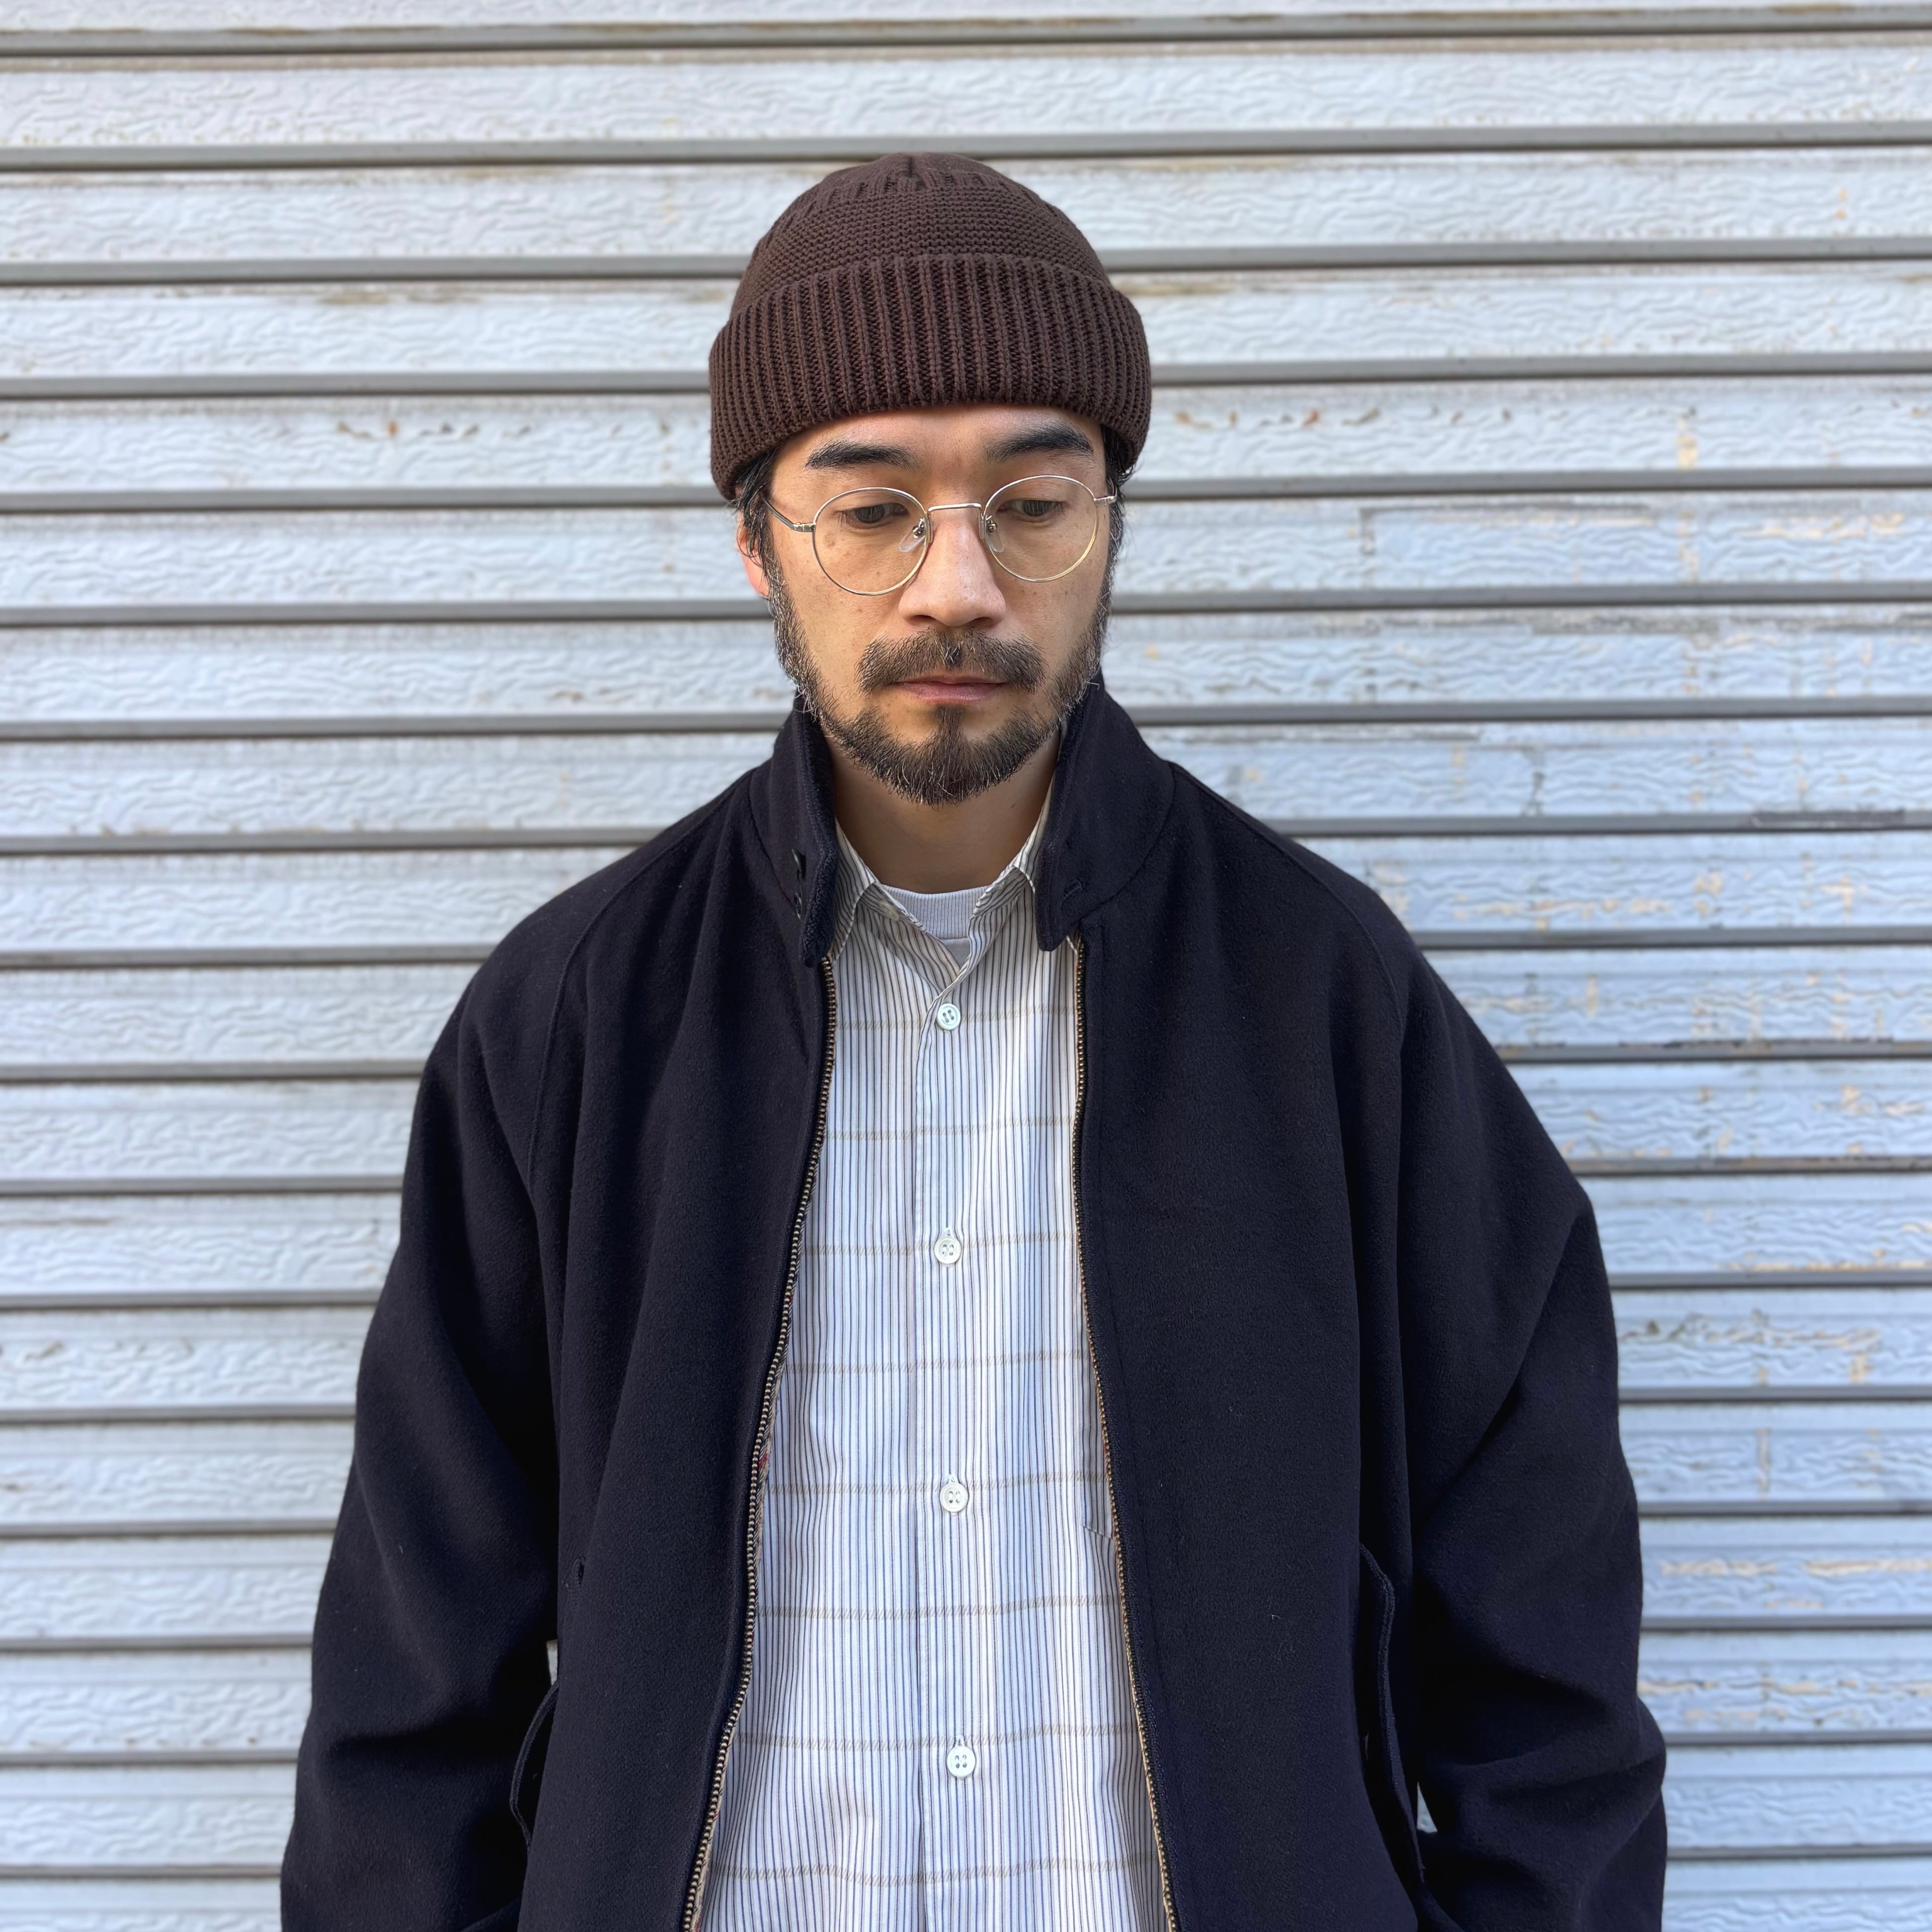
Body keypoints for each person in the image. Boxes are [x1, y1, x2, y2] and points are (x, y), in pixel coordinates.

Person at [283, 153, 1665, 1932]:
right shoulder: (574, 1021)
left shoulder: (1332, 1006)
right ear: (758, 545)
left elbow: (1545, 1671)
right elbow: (414, 1699)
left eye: (1032, 499)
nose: (956, 583)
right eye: (872, 508)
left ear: (1111, 526)